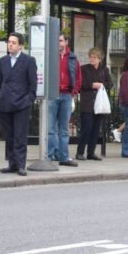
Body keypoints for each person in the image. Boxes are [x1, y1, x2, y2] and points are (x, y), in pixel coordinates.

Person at [0, 32, 37, 177]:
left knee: (20, 135)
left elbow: (33, 84)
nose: (10, 44)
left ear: (20, 46)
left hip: (21, 103)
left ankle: (21, 165)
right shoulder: (3, 61)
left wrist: (28, 99)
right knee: (9, 135)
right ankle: (11, 164)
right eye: (9, 42)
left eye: (13, 42)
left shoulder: (28, 61)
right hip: (5, 103)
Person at [47, 34, 81, 167]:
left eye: (60, 40)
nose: (58, 43)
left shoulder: (72, 58)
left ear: (66, 42)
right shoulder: (51, 56)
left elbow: (78, 77)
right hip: (53, 95)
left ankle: (64, 157)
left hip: (66, 95)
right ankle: (49, 156)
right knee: (50, 128)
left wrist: (74, 92)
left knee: (64, 129)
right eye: (56, 40)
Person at [76, 47, 113, 161]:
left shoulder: (104, 70)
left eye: (95, 57)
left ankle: (91, 152)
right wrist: (92, 85)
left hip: (99, 103)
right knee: (86, 128)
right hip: (87, 103)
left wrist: (102, 85)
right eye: (91, 57)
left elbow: (110, 83)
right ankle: (80, 152)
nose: (92, 59)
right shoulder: (84, 69)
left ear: (100, 59)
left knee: (96, 129)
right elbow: (81, 84)